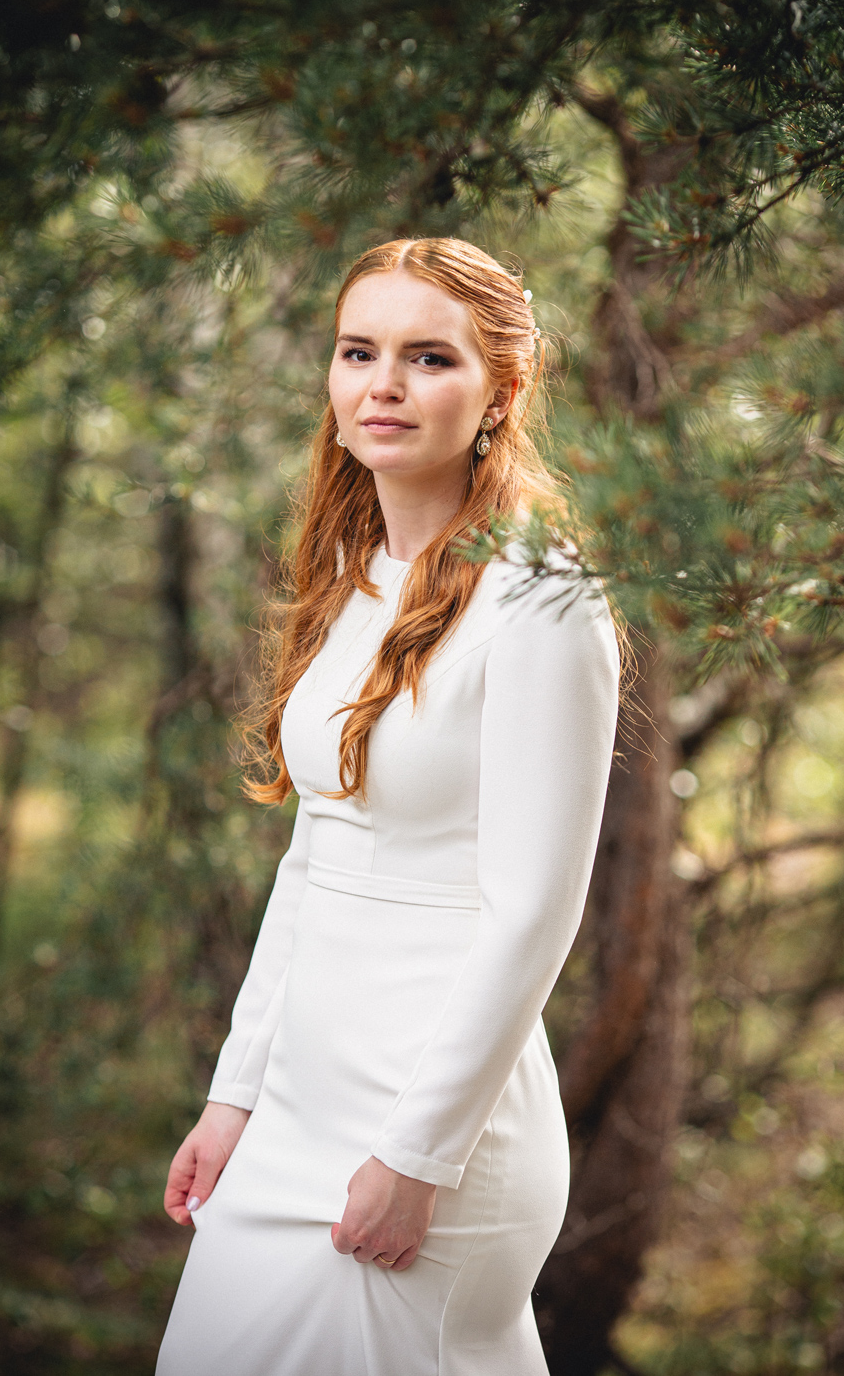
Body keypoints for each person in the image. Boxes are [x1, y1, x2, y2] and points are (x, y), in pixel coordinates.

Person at [155, 237, 621, 1376]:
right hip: (296, 1105)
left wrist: (417, 1154)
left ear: (501, 389)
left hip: (431, 1126)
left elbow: (533, 912)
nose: (384, 385)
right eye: (358, 351)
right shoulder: (354, 576)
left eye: (429, 357)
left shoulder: (542, 598)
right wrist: (234, 1093)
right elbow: (313, 857)